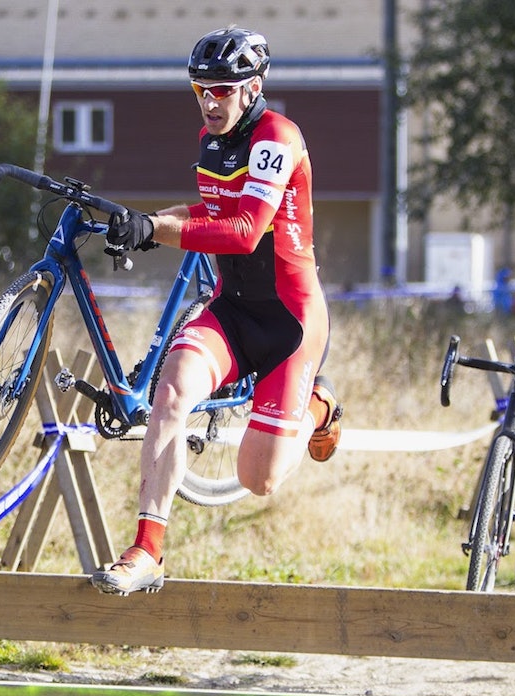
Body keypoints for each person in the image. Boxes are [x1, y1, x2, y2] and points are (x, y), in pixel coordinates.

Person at [90, 26, 343, 596]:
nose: (209, 101)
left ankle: (320, 406)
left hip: (290, 321)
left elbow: (244, 230)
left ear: (253, 87)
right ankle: (147, 549)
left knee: (258, 478)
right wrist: (145, 223)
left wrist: (158, 230)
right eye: (200, 89)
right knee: (171, 391)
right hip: (231, 308)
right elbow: (207, 211)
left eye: (222, 90)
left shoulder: (278, 136)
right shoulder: (212, 140)